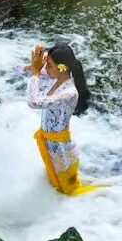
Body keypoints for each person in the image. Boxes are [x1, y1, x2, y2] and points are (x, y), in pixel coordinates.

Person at [24, 41, 98, 195]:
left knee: (71, 194)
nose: (46, 69)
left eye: (49, 65)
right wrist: (34, 65)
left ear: (62, 67)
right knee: (59, 191)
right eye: (45, 65)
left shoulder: (69, 93)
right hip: (53, 149)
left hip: (63, 155)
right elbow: (25, 72)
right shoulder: (55, 77)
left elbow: (34, 102)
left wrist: (36, 72)